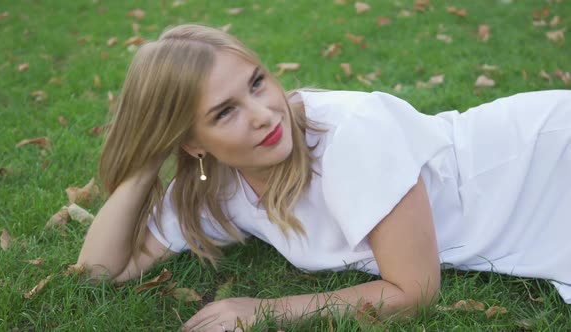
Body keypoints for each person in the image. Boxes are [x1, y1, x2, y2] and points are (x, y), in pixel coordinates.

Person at [77, 24, 571, 331]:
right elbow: (101, 272)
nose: (265, 114)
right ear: (192, 143)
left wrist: (262, 313)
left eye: (257, 82)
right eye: (225, 112)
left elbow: (415, 290)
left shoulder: (351, 134)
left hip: (544, 161)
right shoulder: (218, 184)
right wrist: (145, 164)